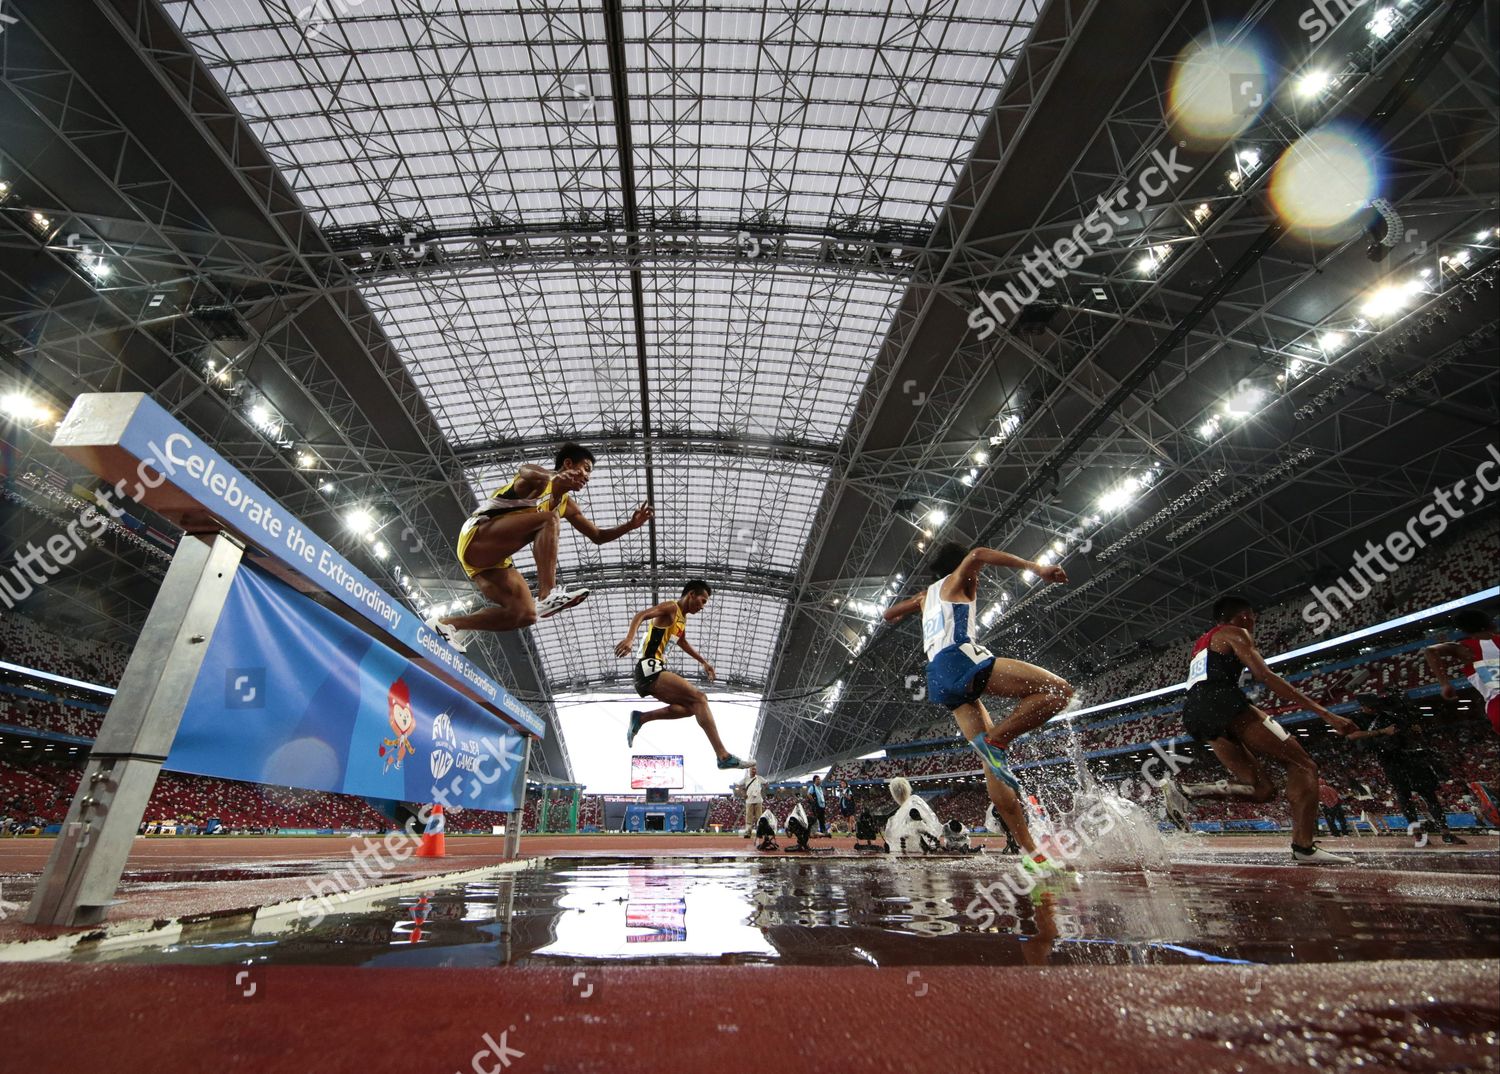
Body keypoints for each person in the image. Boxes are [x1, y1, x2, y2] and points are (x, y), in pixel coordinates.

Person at [882, 542, 1073, 874]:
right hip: (959, 658)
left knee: (991, 764)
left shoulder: (925, 596)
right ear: (959, 568)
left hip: (938, 678)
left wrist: (911, 610)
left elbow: (887, 614)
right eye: (974, 577)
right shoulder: (960, 579)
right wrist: (1035, 567)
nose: (978, 581)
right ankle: (998, 740)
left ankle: (1032, 853)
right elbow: (979, 555)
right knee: (1059, 691)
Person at [1161, 594, 1357, 865]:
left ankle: (1186, 791)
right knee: (1304, 765)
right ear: (1244, 616)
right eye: (1253, 617)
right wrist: (1324, 713)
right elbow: (1263, 675)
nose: (1254, 622)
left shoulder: (1201, 645)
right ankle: (1304, 847)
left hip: (1195, 712)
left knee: (1263, 790)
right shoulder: (1235, 631)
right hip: (1222, 702)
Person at [429, 443, 652, 648]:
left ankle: (446, 624)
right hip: (477, 536)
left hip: (492, 562)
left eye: (589, 473)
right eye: (585, 469)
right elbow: (525, 470)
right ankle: (547, 594)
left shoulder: (566, 504)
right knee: (548, 519)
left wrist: (631, 525)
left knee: (525, 614)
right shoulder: (540, 481)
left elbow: (598, 536)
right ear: (568, 464)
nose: (587, 477)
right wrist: (555, 476)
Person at [615, 580, 750, 769]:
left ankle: (641, 718)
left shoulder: (681, 619)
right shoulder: (671, 607)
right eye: (702, 601)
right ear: (691, 594)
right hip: (648, 667)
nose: (702, 607)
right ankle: (723, 756)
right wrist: (630, 638)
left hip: (653, 669)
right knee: (700, 698)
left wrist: (703, 662)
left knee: (691, 708)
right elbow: (642, 614)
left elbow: (682, 642)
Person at [1346, 693, 1467, 845]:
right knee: (1405, 799)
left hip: (1409, 756)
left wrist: (1413, 728)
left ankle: (1446, 833)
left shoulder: (1388, 715)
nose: (1375, 709)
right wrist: (1382, 731)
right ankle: (1418, 835)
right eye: (1371, 706)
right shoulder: (1357, 719)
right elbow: (1351, 736)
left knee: (1430, 795)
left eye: (1376, 705)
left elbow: (1406, 727)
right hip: (1389, 760)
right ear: (1363, 706)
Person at [1422, 609, 1500, 735]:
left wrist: (1445, 684)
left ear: (1465, 631)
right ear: (1491, 623)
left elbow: (1430, 651)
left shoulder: (1464, 649)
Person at [738, 765, 768, 839]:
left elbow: (766, 783)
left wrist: (762, 791)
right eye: (752, 770)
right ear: (749, 771)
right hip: (749, 801)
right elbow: (738, 785)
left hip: (758, 801)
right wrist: (743, 794)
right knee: (749, 818)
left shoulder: (759, 778)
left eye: (755, 770)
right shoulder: (746, 779)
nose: (754, 771)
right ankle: (748, 832)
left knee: (759, 818)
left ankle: (760, 832)